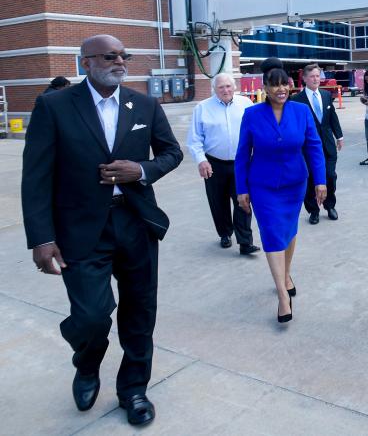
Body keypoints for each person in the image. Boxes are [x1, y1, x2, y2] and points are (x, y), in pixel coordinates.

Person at [21, 34, 182, 426]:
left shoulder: (143, 104)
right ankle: (87, 364)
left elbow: (171, 152)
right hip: (79, 229)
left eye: (124, 56)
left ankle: (134, 389)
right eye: (110, 56)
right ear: (86, 62)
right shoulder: (54, 106)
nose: (120, 62)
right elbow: (36, 177)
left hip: (135, 222)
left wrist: (141, 170)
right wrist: (42, 239)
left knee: (140, 312)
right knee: (92, 317)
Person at [235, 63, 326, 323]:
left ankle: (286, 274)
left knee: (289, 230)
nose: (281, 89)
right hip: (262, 185)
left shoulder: (301, 111)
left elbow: (313, 147)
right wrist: (241, 188)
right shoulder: (252, 115)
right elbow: (242, 154)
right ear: (264, 88)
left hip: (294, 183)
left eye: (284, 83)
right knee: (272, 233)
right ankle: (282, 296)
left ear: (290, 85)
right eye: (274, 84)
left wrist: (320, 181)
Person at [185, 73, 259, 254]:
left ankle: (245, 242)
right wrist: (201, 160)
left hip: (241, 163)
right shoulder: (202, 108)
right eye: (221, 87)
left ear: (234, 87)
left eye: (228, 86)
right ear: (214, 89)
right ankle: (225, 233)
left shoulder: (246, 105)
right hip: (214, 163)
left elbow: (256, 132)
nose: (225, 90)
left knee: (244, 201)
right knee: (218, 202)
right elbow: (194, 139)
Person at [291, 63, 344, 223]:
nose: (316, 79)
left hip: (328, 145)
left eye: (318, 76)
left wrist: (339, 136)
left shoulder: (326, 95)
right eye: (312, 76)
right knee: (310, 179)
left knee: (329, 176)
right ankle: (313, 210)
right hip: (307, 148)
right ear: (305, 79)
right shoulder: (296, 100)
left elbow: (332, 117)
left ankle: (330, 205)